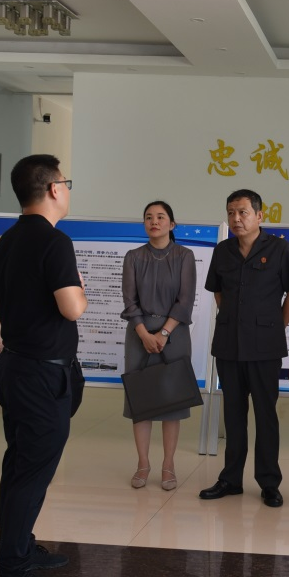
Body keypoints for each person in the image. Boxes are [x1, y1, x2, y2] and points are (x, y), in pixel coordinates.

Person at [0, 154, 87, 577]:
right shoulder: (54, 242)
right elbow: (72, 308)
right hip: (42, 376)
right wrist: (80, 287)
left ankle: (21, 547)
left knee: (19, 465)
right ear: (52, 189)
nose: (67, 189)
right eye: (65, 182)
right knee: (30, 473)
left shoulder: (6, 240)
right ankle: (13, 573)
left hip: (14, 367)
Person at [200, 189, 289, 507]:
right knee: (233, 414)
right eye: (231, 212)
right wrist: (234, 318)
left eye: (243, 212)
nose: (236, 218)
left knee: (265, 415)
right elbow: (218, 292)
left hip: (265, 347)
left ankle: (269, 482)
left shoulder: (280, 248)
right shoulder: (223, 250)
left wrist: (276, 326)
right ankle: (230, 479)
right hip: (229, 345)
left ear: (259, 215)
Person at [121, 200, 197, 491]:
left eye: (161, 217)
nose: (154, 221)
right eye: (149, 217)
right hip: (139, 334)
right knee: (141, 400)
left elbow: (185, 300)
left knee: (171, 400)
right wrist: (143, 333)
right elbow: (130, 301)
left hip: (174, 335)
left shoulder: (184, 255)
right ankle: (143, 463)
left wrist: (164, 333)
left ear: (172, 224)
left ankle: (168, 464)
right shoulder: (133, 257)